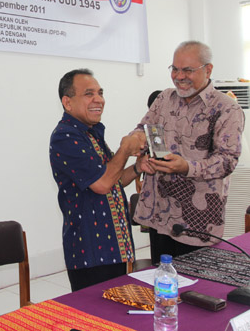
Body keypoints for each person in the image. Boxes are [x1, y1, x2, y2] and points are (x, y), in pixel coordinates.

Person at [133, 41, 245, 264]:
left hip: (197, 222)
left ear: (208, 70)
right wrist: (134, 141)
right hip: (159, 213)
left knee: (195, 282)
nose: (179, 76)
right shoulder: (164, 98)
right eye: (174, 69)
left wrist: (186, 167)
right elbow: (143, 130)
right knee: (162, 277)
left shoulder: (227, 108)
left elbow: (227, 161)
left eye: (187, 70)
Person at [49, 68, 145, 292]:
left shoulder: (90, 133)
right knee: (94, 312)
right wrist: (125, 149)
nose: (99, 100)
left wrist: (138, 167)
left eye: (100, 93)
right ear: (67, 102)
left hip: (114, 248)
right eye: (89, 94)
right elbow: (102, 184)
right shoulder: (65, 136)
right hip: (91, 252)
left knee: (118, 309)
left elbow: (113, 180)